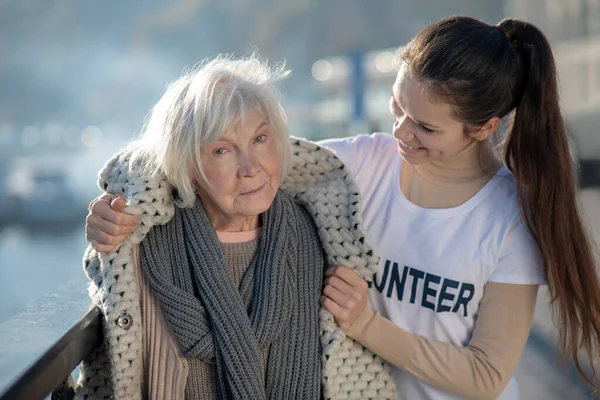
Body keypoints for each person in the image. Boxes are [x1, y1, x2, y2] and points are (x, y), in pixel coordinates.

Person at [85, 16, 600, 400]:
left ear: (484, 128)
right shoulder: (360, 164)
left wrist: (366, 325)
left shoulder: (509, 219)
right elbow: (220, 152)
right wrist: (124, 206)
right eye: (398, 108)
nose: (400, 132)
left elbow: (488, 377)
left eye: (425, 127)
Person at [77, 55, 397, 400]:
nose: (250, 167)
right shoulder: (143, 241)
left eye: (260, 139)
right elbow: (108, 276)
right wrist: (110, 215)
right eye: (221, 150)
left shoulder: (320, 236)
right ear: (188, 167)